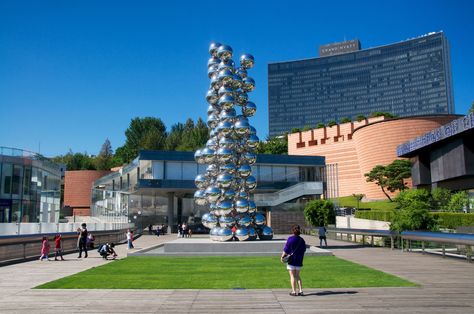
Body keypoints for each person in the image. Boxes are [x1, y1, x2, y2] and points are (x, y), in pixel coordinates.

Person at [281, 225, 306, 296]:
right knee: (297, 276)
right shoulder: (302, 240)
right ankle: (301, 291)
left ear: (293, 231)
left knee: (292, 276)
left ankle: (294, 291)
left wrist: (282, 257)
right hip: (299, 260)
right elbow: (304, 250)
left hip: (291, 260)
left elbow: (286, 249)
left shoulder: (290, 239)